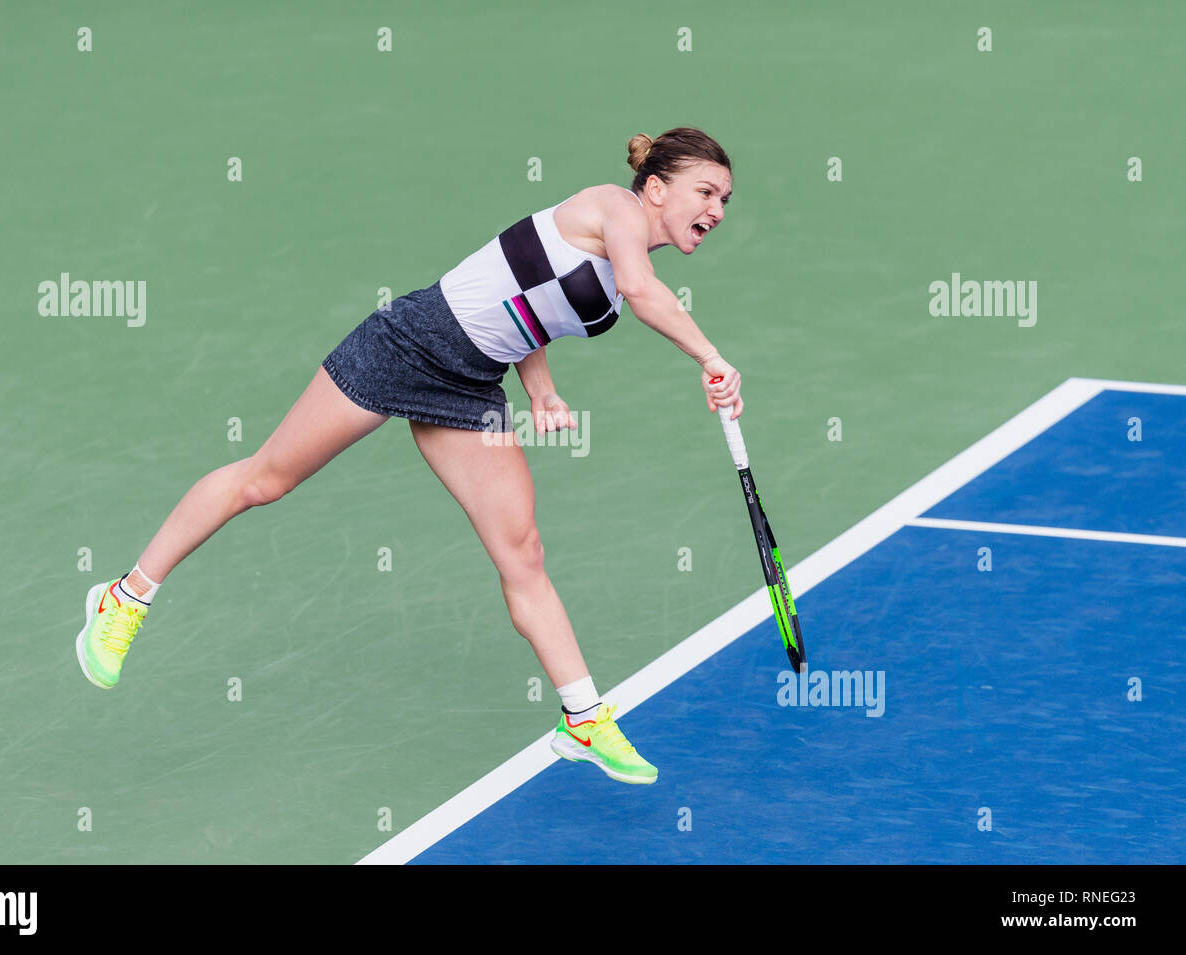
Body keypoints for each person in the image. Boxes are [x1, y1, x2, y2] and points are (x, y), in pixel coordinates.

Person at [75, 126, 742, 786]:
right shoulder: (614, 209)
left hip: (470, 384)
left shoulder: (617, 265)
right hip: (408, 344)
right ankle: (123, 597)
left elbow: (526, 296)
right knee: (266, 479)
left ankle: (582, 717)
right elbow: (646, 289)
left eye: (725, 200)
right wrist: (711, 357)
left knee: (523, 552)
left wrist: (541, 390)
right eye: (705, 191)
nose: (715, 209)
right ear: (654, 188)